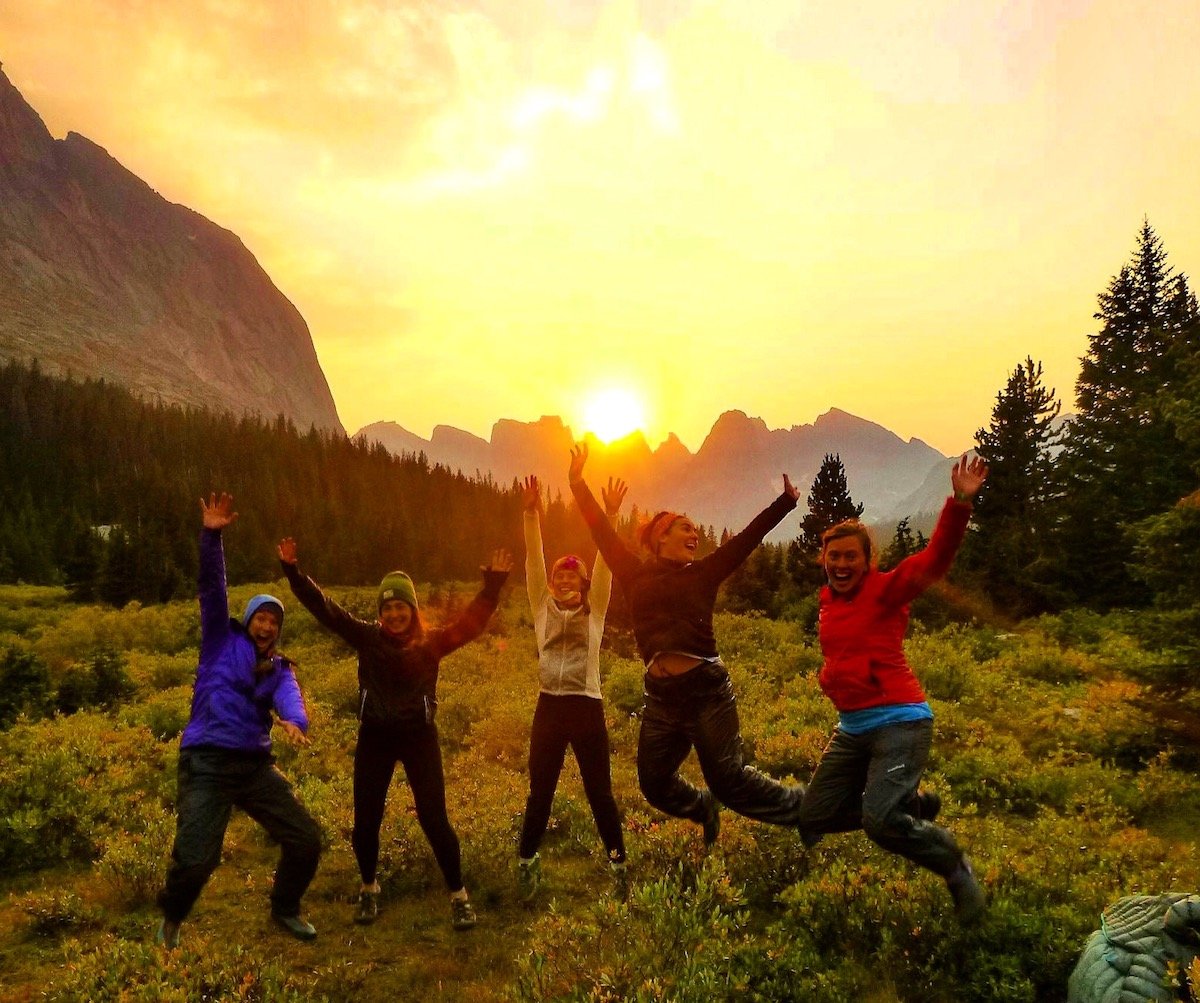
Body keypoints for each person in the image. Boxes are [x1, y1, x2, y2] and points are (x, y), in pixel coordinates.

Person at [567, 443, 804, 843]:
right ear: (661, 536)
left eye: (695, 529)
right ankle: (701, 806)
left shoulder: (704, 573)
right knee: (654, 783)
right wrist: (577, 482)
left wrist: (785, 503)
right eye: (684, 527)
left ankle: (805, 808)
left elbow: (746, 540)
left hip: (707, 692)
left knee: (730, 779)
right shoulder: (634, 574)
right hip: (661, 698)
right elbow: (601, 532)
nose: (694, 534)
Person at [278, 539, 511, 931]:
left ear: (412, 609)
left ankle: (459, 897)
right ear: (381, 612)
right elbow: (326, 609)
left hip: (420, 738)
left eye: (401, 606)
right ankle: (369, 889)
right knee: (365, 822)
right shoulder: (366, 637)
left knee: (435, 821)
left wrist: (492, 588)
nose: (394, 613)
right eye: (387, 607)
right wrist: (293, 573)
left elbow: (471, 625)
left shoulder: (432, 642)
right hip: (376, 738)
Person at [798, 455, 989, 924]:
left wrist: (960, 501)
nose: (841, 564)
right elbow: (839, 658)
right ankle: (914, 804)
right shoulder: (826, 603)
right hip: (852, 728)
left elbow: (934, 559)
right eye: (834, 556)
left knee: (878, 823)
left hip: (900, 720)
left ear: (867, 561)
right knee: (811, 818)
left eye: (851, 557)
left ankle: (954, 867)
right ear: (824, 559)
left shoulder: (885, 591)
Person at [156, 492, 322, 949]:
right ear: (248, 621)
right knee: (196, 860)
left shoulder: (280, 667)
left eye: (274, 621)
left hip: (252, 766)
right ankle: (171, 915)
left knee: (306, 840)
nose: (267, 626)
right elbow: (213, 587)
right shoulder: (218, 640)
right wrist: (212, 536)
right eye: (260, 618)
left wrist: (295, 723)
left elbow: (291, 698)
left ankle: (285, 908)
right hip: (206, 759)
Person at [517, 473, 628, 901]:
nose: (563, 582)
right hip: (549, 708)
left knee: (599, 791)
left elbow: (605, 563)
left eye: (572, 578)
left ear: (583, 586)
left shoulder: (595, 610)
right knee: (540, 791)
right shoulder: (541, 609)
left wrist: (612, 515)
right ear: (550, 586)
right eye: (557, 579)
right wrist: (531, 514)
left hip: (587, 708)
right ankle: (527, 863)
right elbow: (533, 560)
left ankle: (618, 864)